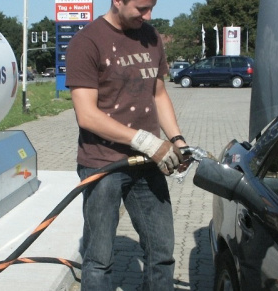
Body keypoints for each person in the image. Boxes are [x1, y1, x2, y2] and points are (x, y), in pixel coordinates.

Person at [64, 0, 189, 290]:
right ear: (117, 1)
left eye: (152, 7)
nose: (148, 16)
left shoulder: (151, 36)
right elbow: (87, 115)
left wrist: (177, 140)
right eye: (142, 8)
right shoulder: (87, 42)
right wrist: (147, 141)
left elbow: (158, 94)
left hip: (148, 163)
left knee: (162, 253)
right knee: (98, 259)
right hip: (103, 163)